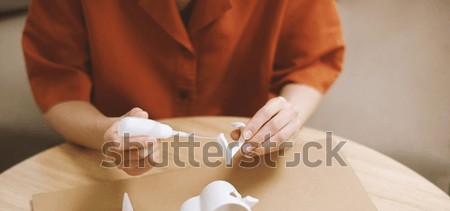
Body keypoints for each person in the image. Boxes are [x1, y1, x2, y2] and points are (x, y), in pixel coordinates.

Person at [22, 0, 345, 175]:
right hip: (110, 164)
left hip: (247, 164)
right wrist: (106, 132)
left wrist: (288, 115)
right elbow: (57, 82)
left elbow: (310, 61)